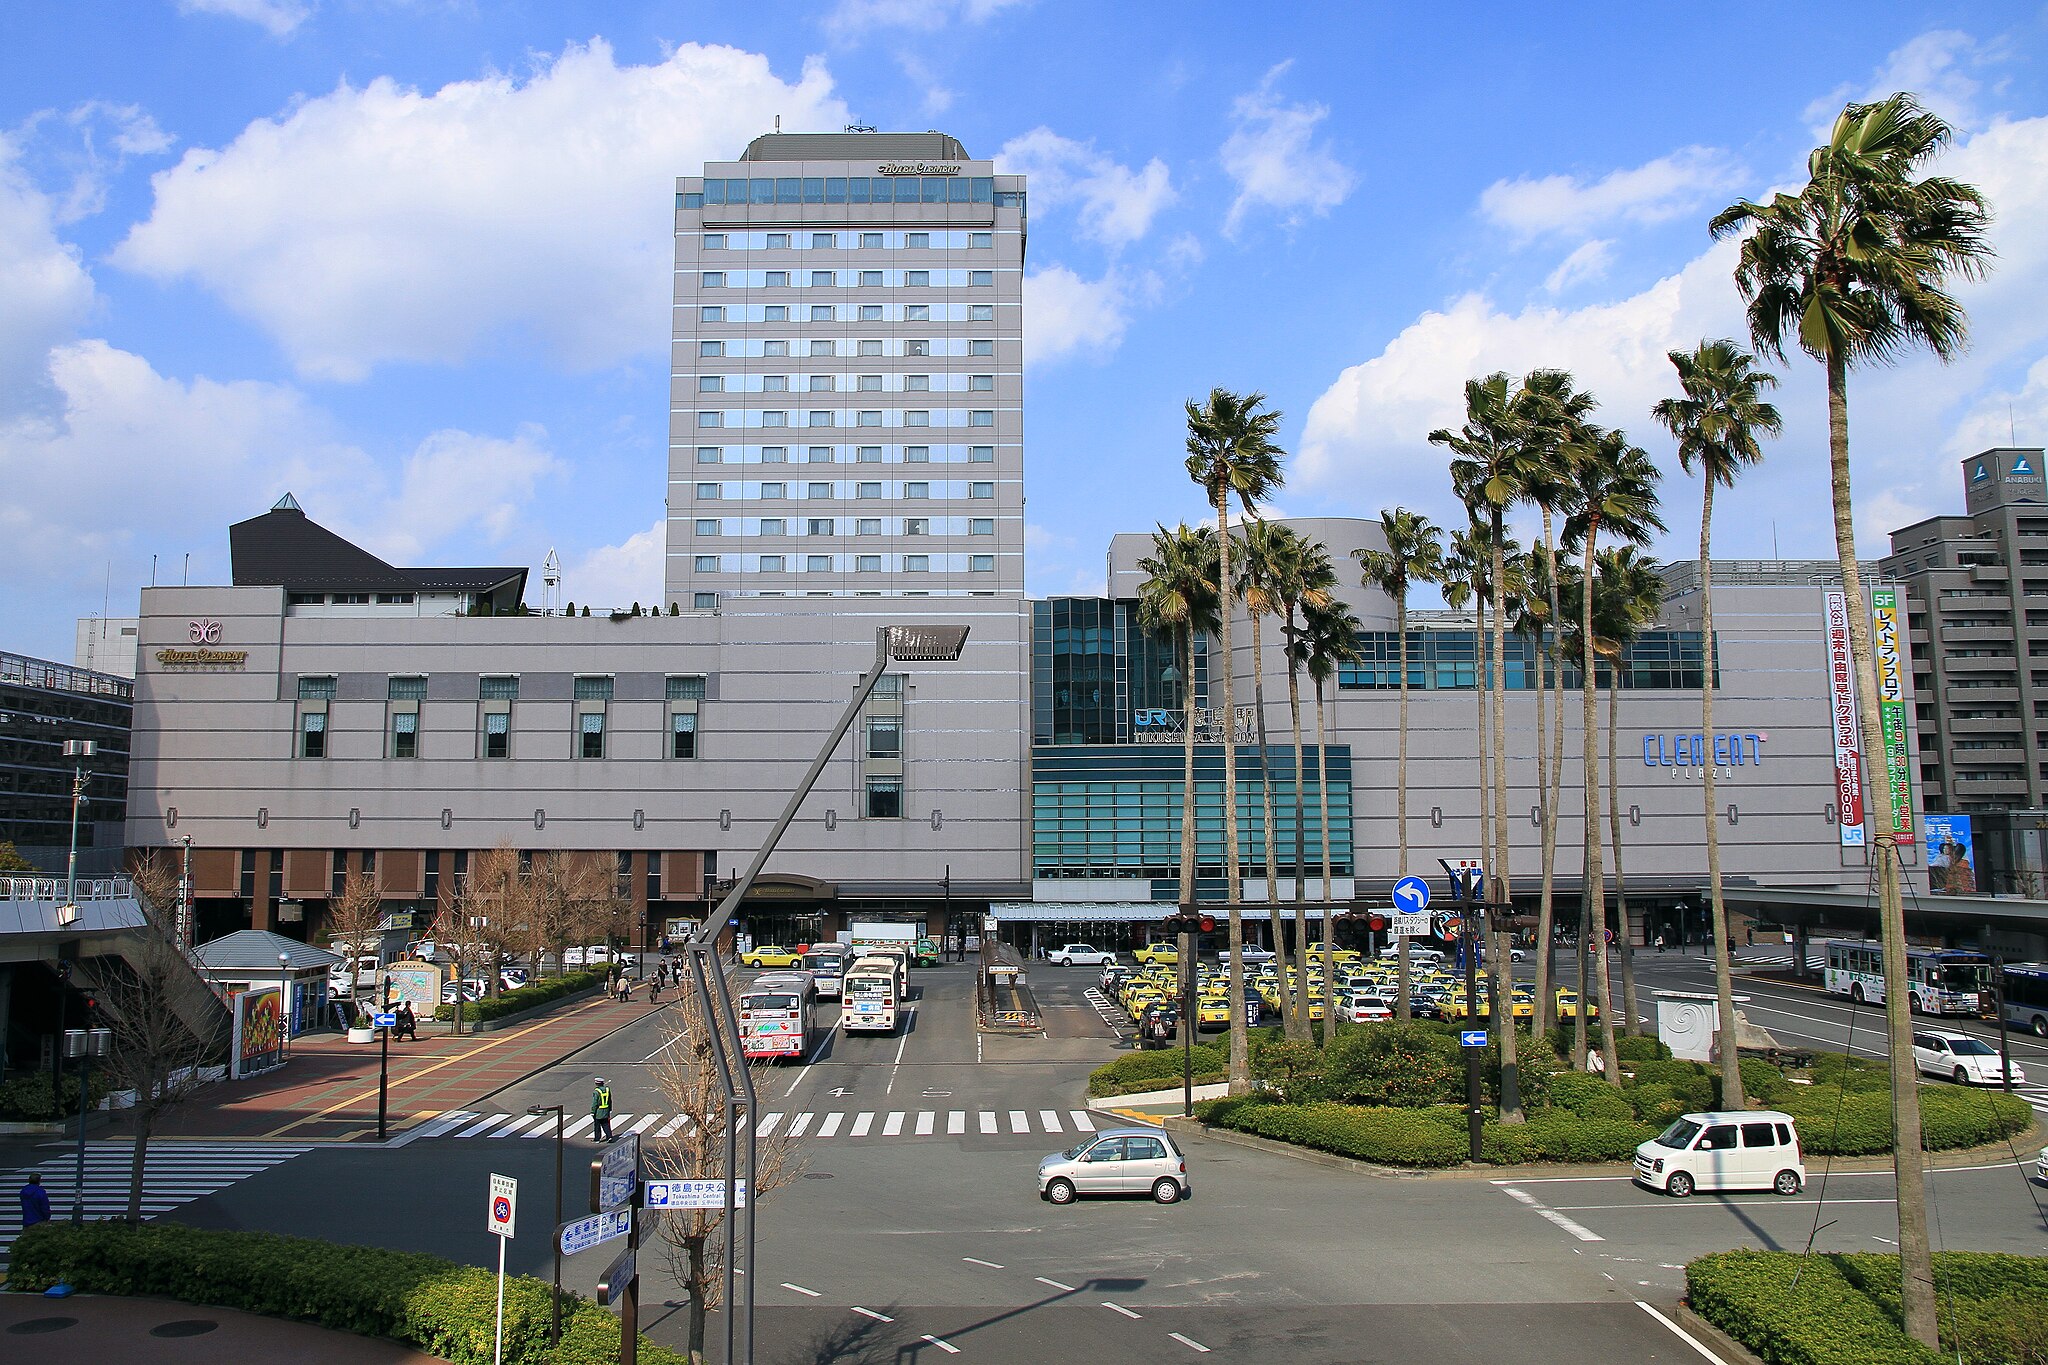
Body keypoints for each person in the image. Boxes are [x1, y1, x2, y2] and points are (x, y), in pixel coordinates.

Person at [591, 1077, 614, 1142]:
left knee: (597, 1125)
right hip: (606, 1110)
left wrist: (593, 1111)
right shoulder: (607, 1089)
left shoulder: (596, 1091)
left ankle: (597, 1139)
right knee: (606, 1124)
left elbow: (595, 1102)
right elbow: (610, 1100)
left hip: (599, 1111)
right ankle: (609, 1136)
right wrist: (610, 1109)